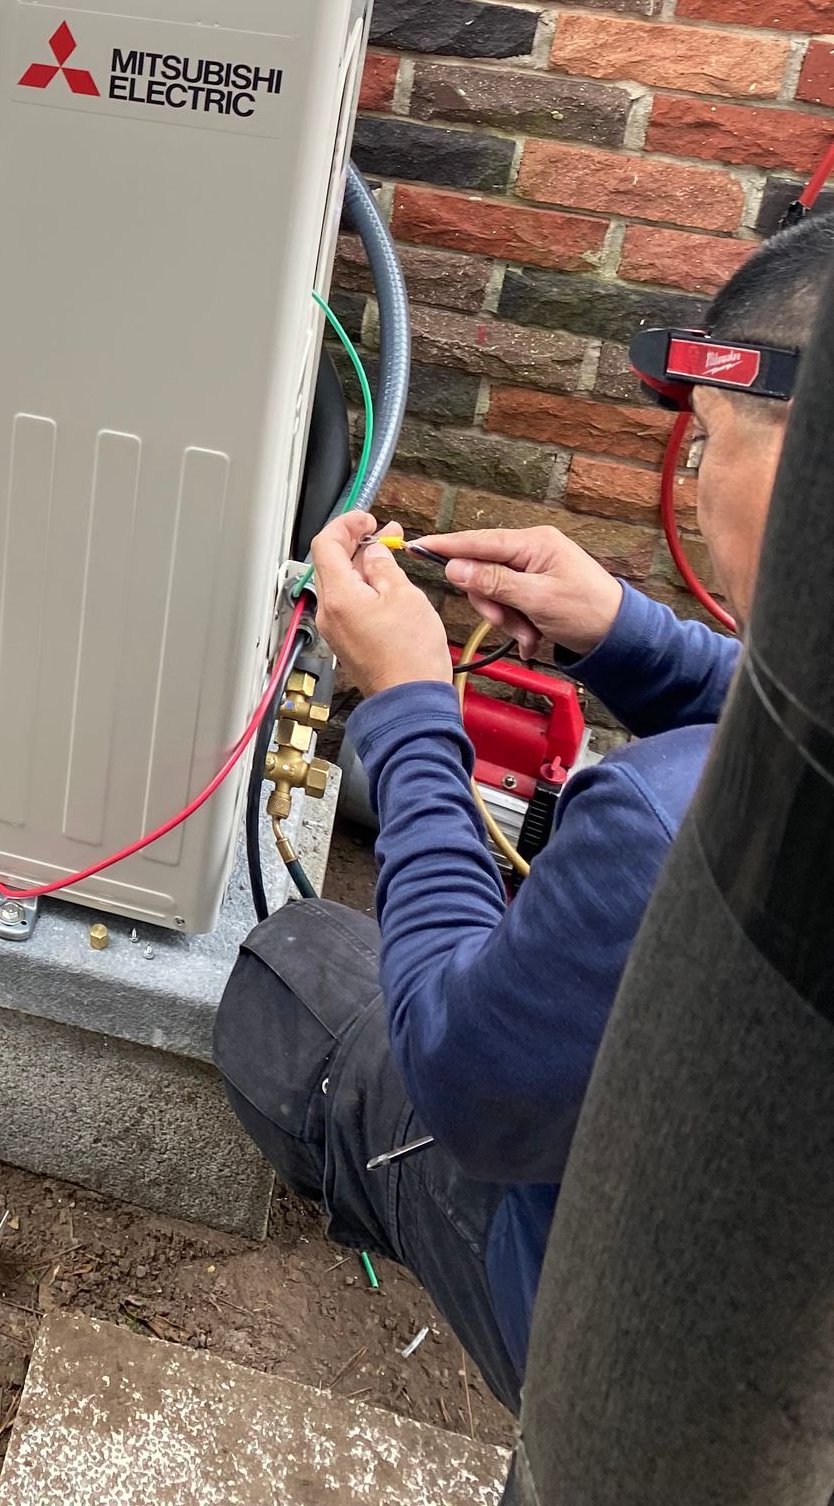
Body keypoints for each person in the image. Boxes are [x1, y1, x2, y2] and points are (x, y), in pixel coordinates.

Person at [213, 206, 834, 1414]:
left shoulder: (668, 828)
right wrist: (633, 635)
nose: (696, 480)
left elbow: (464, 1077)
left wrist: (405, 704)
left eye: (708, 441)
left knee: (297, 975)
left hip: (644, 1377)